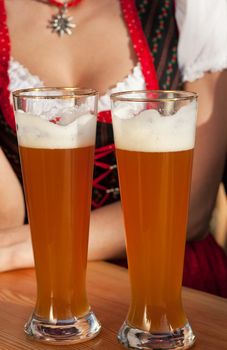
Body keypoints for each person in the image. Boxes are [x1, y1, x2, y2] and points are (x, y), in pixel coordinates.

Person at [0, 0, 227, 297]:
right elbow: (8, 215)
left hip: (170, 278)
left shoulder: (190, 7)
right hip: (41, 282)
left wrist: (22, 250)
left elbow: (191, 209)